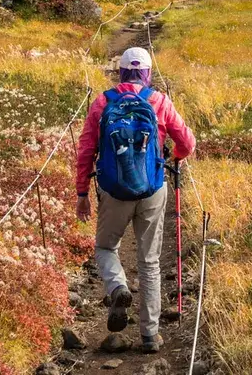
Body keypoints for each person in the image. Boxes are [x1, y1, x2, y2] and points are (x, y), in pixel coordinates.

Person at [74, 46, 196, 353]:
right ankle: (150, 335)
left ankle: (118, 287)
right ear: (148, 73)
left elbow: (86, 150)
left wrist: (82, 193)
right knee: (149, 262)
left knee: (105, 247)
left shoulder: (102, 102)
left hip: (114, 191)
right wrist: (174, 157)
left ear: (121, 72)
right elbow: (187, 142)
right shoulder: (159, 101)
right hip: (152, 188)